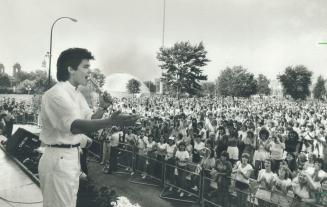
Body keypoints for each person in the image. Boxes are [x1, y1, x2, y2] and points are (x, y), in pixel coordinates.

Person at [38, 48, 138, 207]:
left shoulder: (76, 94)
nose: (89, 71)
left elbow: (90, 120)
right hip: (58, 158)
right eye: (85, 66)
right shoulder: (56, 94)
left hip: (70, 157)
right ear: (70, 68)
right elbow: (76, 126)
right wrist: (111, 121)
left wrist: (103, 108)